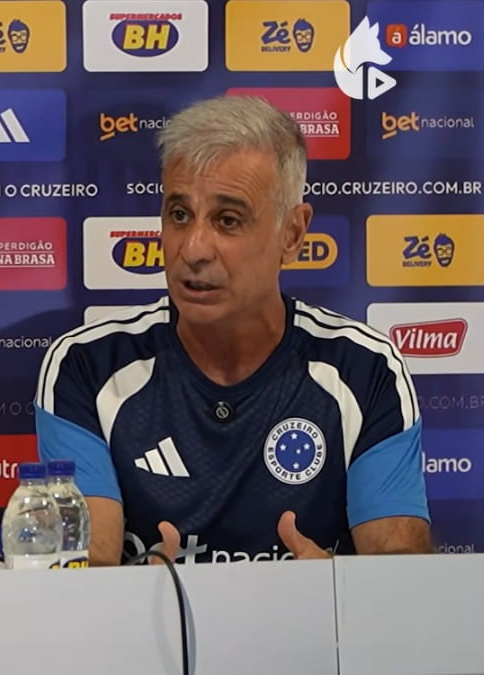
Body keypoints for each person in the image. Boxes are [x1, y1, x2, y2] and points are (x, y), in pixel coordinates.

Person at [35, 95, 432, 566]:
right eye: (179, 215)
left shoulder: (364, 369)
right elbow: (86, 574)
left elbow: (401, 577)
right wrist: (142, 592)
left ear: (292, 233)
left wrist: (333, 588)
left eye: (228, 220)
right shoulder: (86, 366)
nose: (194, 249)